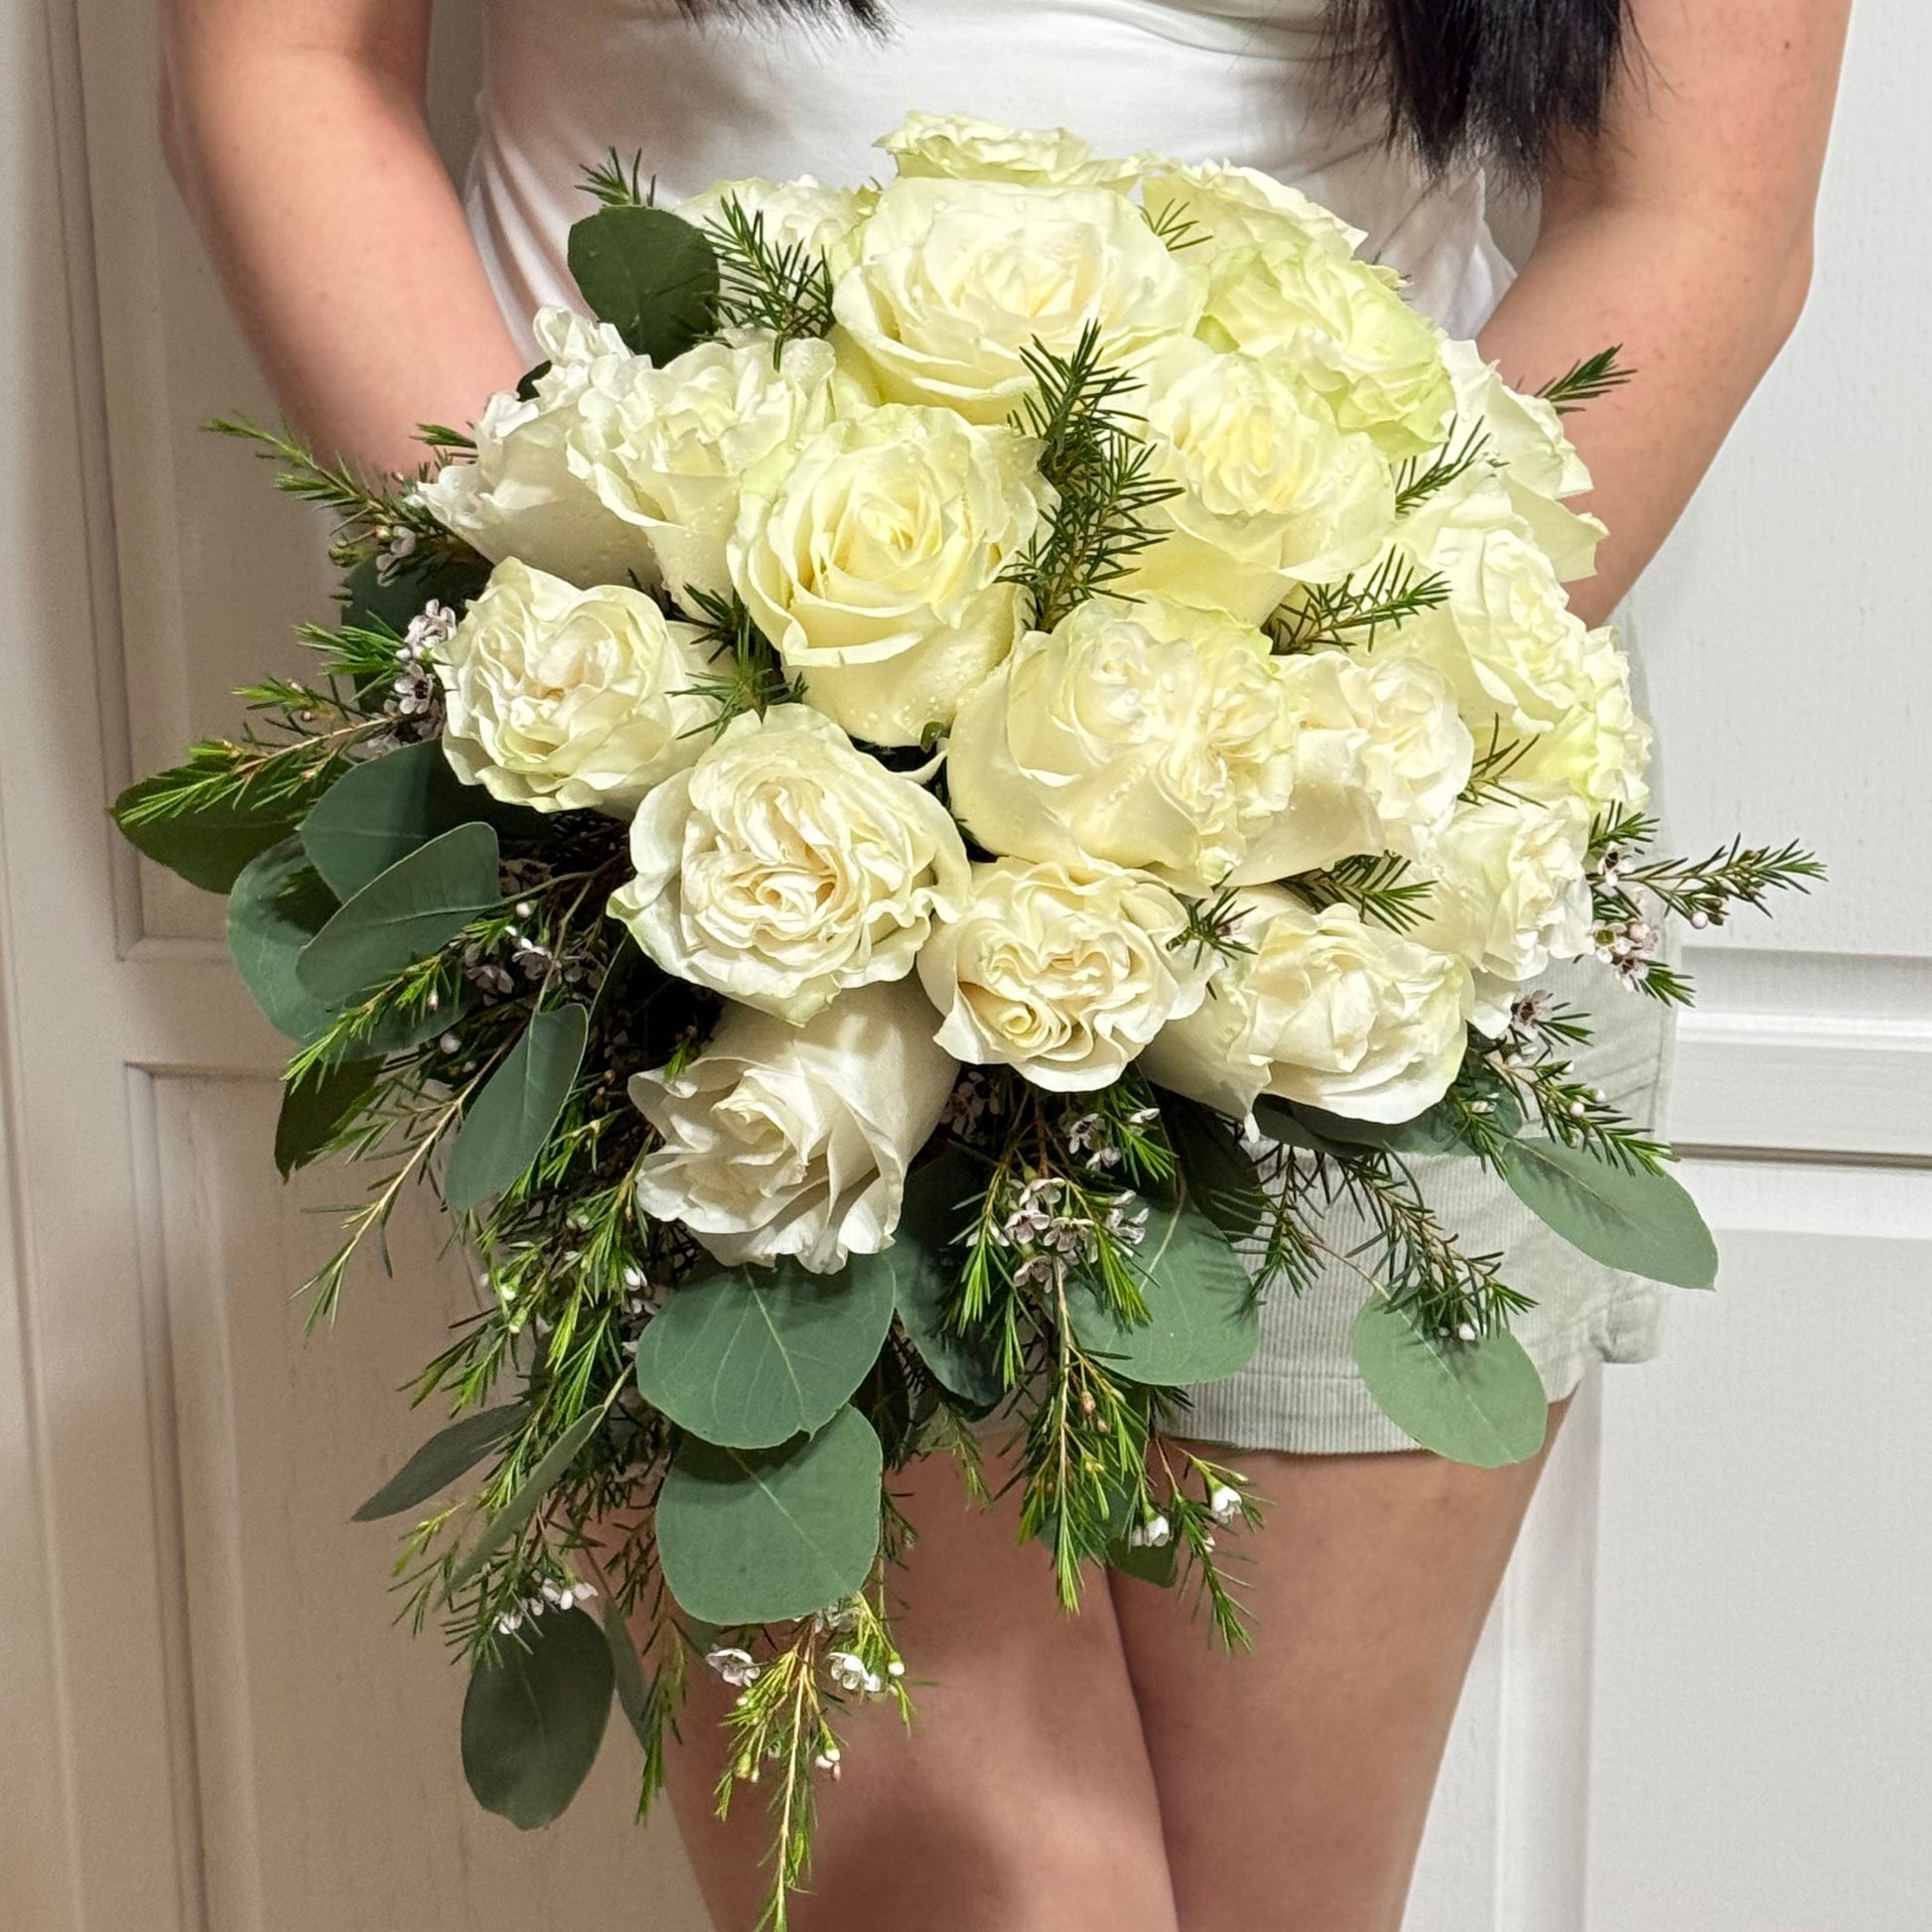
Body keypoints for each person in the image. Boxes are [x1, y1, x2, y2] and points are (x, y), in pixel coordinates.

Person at [158, 4, 1851, 1928]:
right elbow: (285, 62)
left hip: (1356, 861)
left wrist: (1238, 777)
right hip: (705, 863)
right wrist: (619, 677)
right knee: (964, 1892)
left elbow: (1690, 205)